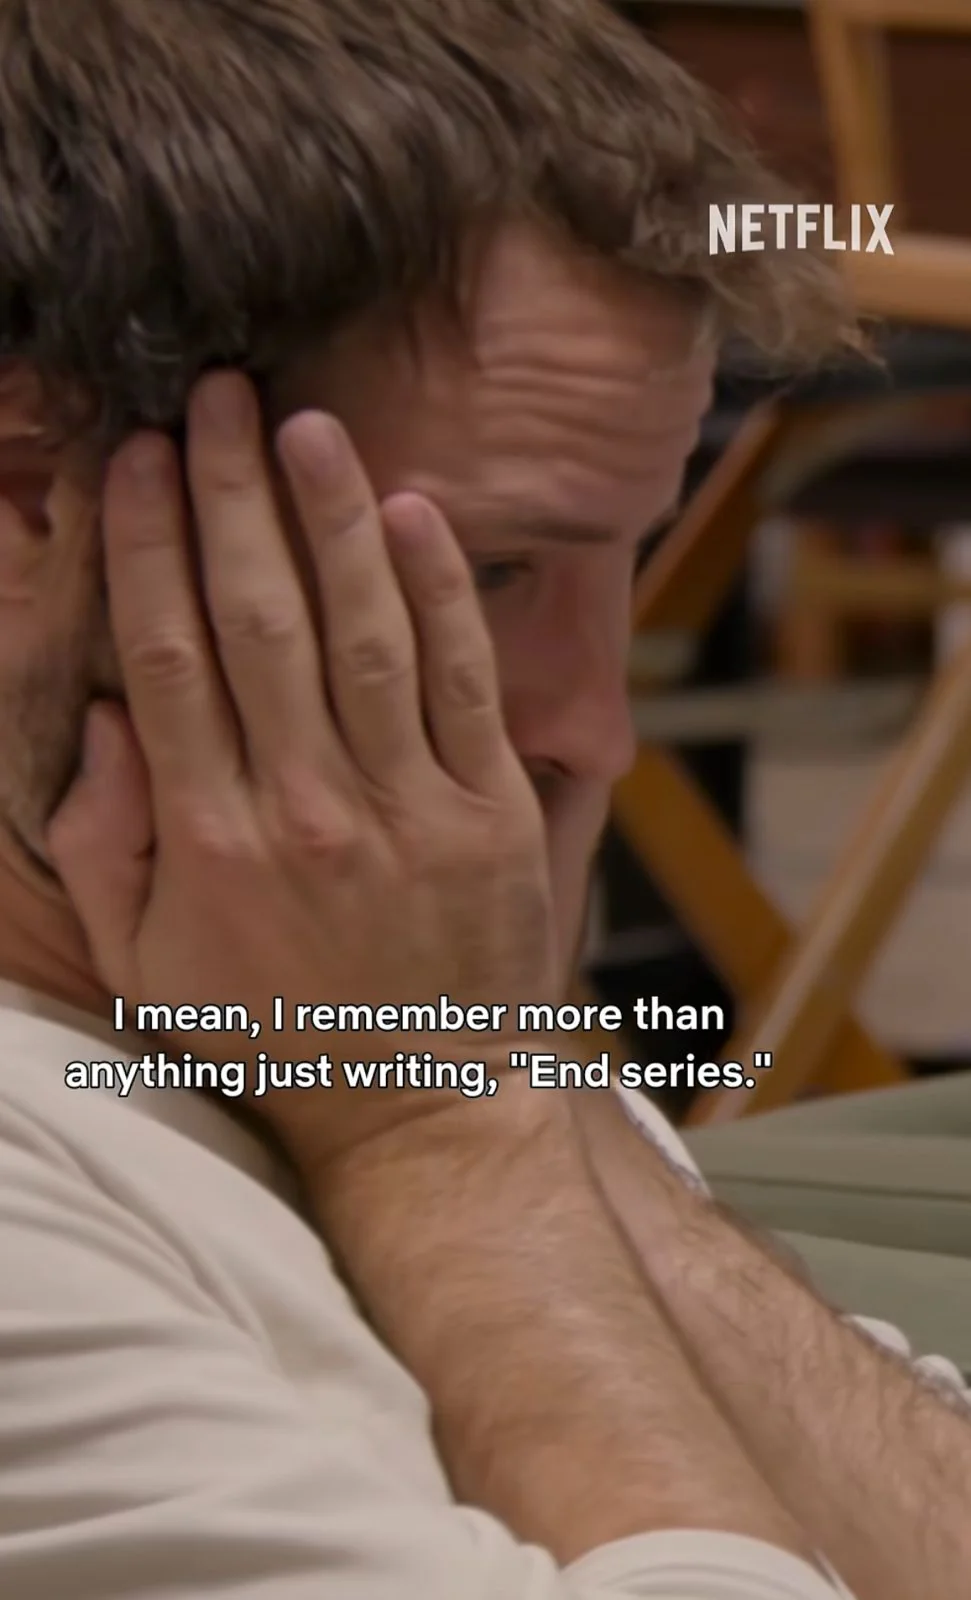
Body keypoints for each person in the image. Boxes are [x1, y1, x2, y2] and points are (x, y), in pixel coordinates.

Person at [0, 3, 967, 1599]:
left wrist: (505, 1068)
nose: (601, 730)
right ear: (34, 498)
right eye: (495, 570)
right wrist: (436, 1131)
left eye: (632, 558)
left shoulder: (352, 970)